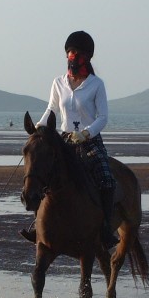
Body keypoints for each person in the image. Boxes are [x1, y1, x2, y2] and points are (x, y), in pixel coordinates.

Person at [20, 30, 119, 248]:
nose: (72, 56)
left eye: (77, 52)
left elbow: (103, 117)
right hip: (63, 139)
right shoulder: (58, 82)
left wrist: (86, 133)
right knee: (43, 175)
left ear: (86, 57)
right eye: (70, 52)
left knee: (106, 178)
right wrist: (39, 126)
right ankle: (38, 225)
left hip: (89, 140)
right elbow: (51, 108)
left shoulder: (96, 84)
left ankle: (104, 228)